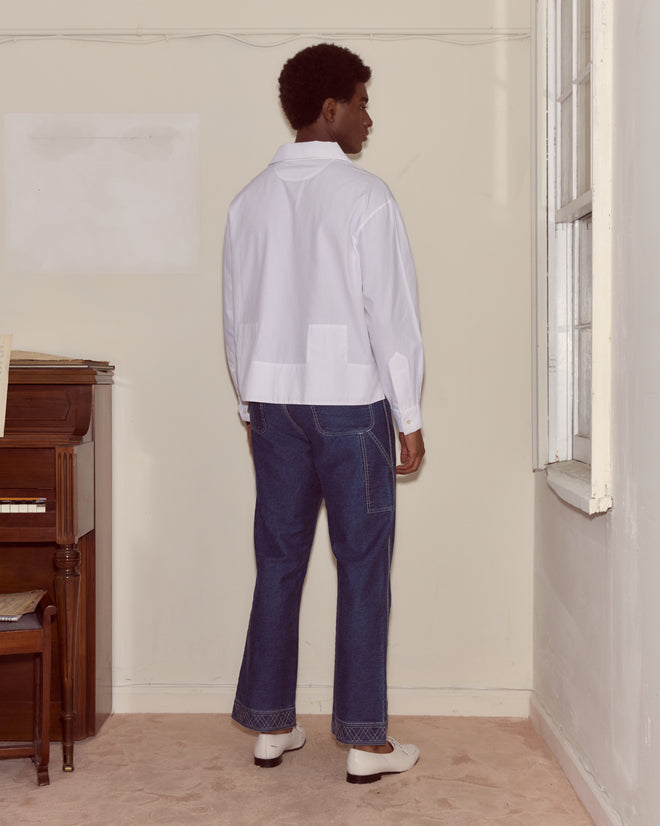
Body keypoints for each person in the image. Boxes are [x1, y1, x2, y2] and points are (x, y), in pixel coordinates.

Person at [223, 42, 425, 784]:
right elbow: (391, 317)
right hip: (350, 404)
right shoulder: (366, 197)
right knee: (363, 567)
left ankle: (272, 728)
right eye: (363, 102)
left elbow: (235, 317)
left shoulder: (248, 201)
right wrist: (409, 414)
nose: (369, 117)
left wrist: (249, 402)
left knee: (279, 562)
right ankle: (365, 744)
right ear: (329, 108)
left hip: (273, 403)